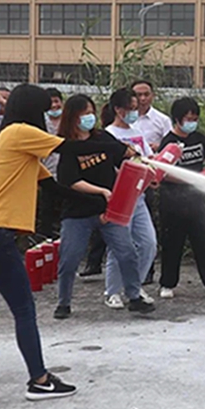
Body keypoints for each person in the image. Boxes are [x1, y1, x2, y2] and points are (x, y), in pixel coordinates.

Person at [0, 83, 125, 399]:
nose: (48, 117)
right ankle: (40, 380)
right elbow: (70, 148)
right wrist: (117, 149)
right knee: (24, 308)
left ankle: (39, 378)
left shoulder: (18, 146)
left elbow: (55, 188)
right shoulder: (19, 132)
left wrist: (101, 199)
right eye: (45, 110)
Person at [54, 94, 155, 319]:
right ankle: (63, 303)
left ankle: (134, 297)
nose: (89, 117)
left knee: (126, 253)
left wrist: (139, 165)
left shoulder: (102, 137)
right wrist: (101, 191)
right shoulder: (67, 146)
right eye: (84, 114)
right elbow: (70, 181)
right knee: (70, 259)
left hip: (109, 210)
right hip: (78, 213)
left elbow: (123, 158)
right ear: (73, 117)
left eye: (91, 112)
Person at [157, 97, 205, 301]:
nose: (192, 122)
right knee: (172, 243)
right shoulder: (168, 142)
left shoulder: (199, 138)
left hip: (196, 200)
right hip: (173, 200)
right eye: (188, 119)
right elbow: (162, 172)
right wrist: (190, 179)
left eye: (195, 118)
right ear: (177, 119)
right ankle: (167, 284)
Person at [102, 89, 158, 309]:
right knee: (120, 246)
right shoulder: (108, 135)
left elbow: (148, 158)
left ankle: (134, 286)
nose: (135, 112)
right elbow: (109, 167)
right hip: (119, 198)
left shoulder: (137, 133)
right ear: (118, 109)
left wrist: (153, 173)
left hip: (139, 196)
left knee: (148, 243)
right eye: (131, 108)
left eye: (136, 108)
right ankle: (112, 291)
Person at [131, 79, 170, 285]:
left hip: (149, 179)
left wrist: (158, 147)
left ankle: (147, 270)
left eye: (146, 94)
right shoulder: (126, 120)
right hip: (126, 179)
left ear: (152, 95)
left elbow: (172, 146)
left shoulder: (161, 120)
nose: (142, 98)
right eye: (138, 95)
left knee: (147, 225)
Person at [37, 88, 64, 238]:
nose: (54, 105)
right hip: (47, 171)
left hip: (65, 172)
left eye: (57, 101)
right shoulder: (41, 122)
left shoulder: (68, 121)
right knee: (47, 206)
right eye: (51, 102)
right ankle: (45, 235)